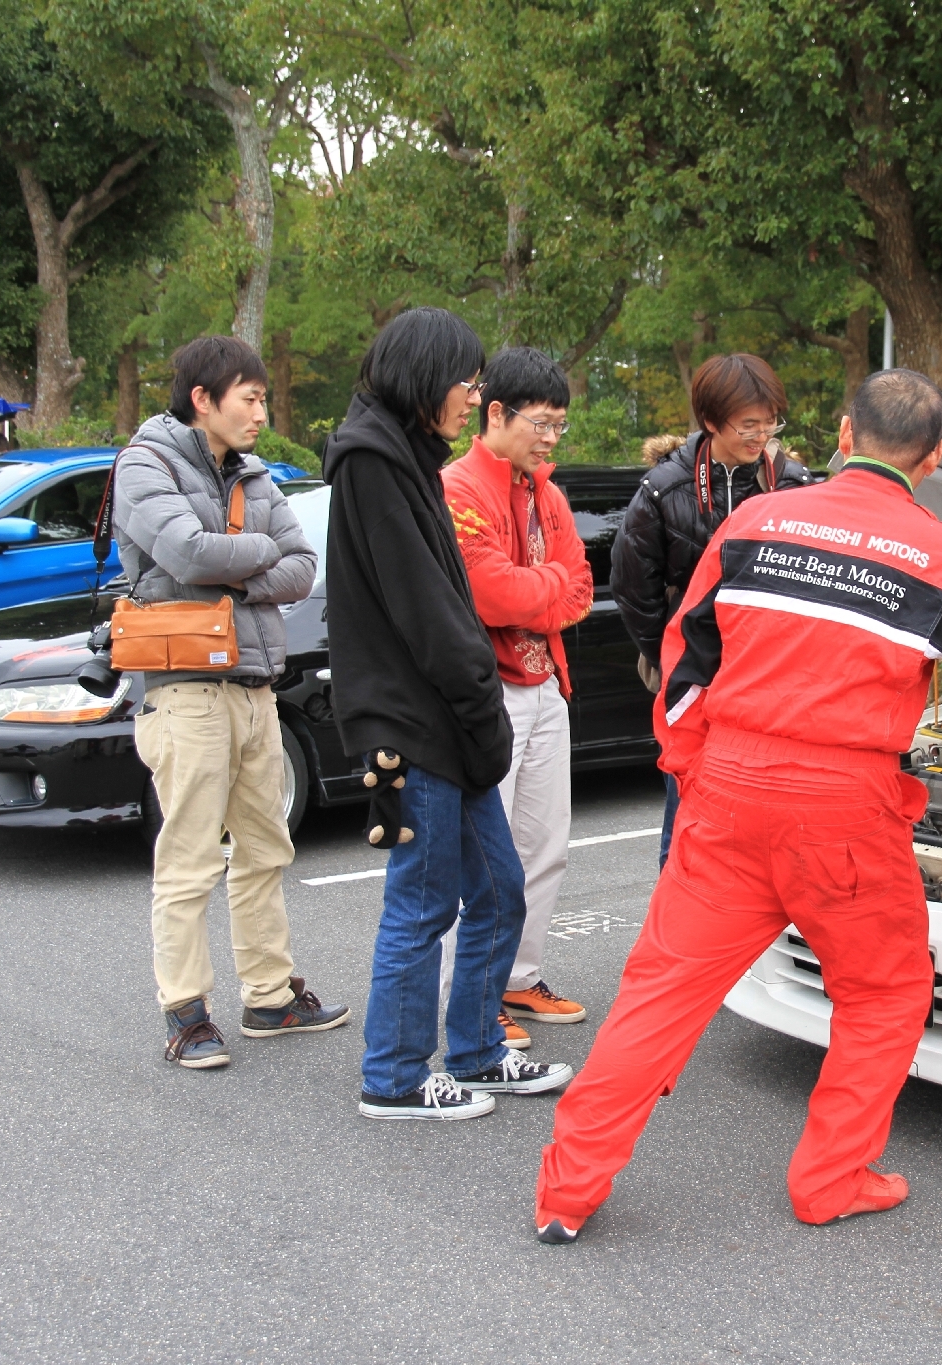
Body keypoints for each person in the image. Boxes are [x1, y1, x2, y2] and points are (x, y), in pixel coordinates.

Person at [533, 369, 942, 1243]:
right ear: (934, 458)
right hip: (846, 812)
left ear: (846, 435)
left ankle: (566, 1193)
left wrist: (695, 772)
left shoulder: (752, 523)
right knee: (886, 991)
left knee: (658, 995)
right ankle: (831, 1178)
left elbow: (685, 665)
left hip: (727, 796)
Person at [323, 308, 572, 1120]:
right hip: (415, 723)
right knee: (423, 901)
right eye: (467, 382)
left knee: (500, 889)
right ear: (426, 377)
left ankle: (476, 1051)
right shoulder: (373, 464)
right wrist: (481, 703)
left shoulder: (406, 457)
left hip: (451, 721)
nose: (471, 398)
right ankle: (394, 1076)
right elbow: (429, 611)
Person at [113, 335, 348, 1070]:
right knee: (189, 857)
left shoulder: (252, 470)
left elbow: (304, 566)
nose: (261, 412)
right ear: (203, 400)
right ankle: (186, 1013)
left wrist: (233, 564)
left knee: (266, 848)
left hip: (254, 688)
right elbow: (186, 553)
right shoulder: (144, 464)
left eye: (263, 399)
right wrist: (256, 554)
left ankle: (270, 997)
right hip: (184, 689)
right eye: (250, 398)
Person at [438, 348, 596, 1045]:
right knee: (483, 854)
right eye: (542, 423)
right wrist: (548, 589)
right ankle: (470, 995)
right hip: (486, 692)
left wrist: (543, 591)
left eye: (560, 424)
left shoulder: (547, 494)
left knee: (544, 844)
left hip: (546, 684)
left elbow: (582, 587)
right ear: (495, 413)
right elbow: (490, 593)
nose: (551, 437)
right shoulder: (458, 488)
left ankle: (518, 976)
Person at [610, 354, 815, 864]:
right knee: (687, 812)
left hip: (771, 681)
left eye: (770, 423)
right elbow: (633, 587)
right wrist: (674, 657)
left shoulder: (793, 483)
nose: (761, 436)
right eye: (749, 425)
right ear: (710, 420)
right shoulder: (665, 488)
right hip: (693, 678)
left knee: (765, 822)